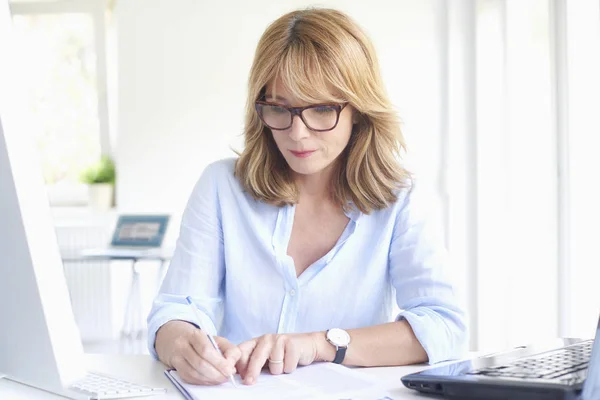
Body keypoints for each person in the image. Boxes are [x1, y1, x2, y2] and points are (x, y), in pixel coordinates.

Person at [148, 7, 467, 386]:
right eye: (279, 109)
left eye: (320, 109)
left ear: (359, 110)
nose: (297, 133)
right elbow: (175, 309)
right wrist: (182, 343)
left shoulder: (400, 200)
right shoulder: (221, 186)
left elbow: (443, 326)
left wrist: (321, 344)